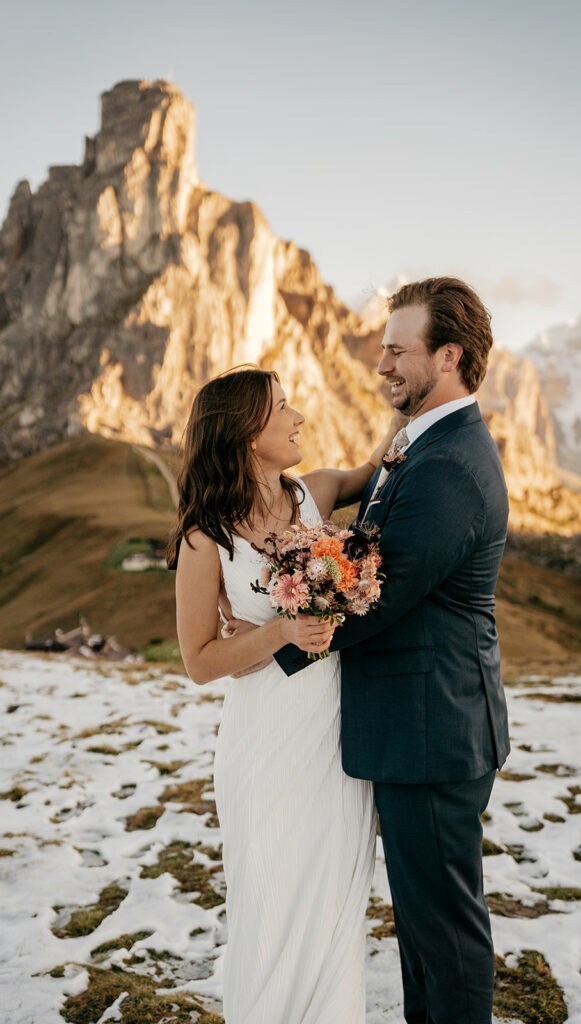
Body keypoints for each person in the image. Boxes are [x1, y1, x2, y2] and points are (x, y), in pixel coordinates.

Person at [231, 278, 511, 1024]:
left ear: (448, 356)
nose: (380, 363)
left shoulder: (449, 465)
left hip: (433, 730)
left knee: (444, 931)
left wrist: (270, 649)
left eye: (397, 349)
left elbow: (379, 595)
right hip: (415, 727)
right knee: (423, 926)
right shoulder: (421, 444)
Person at [166, 367, 406, 1024]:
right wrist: (279, 631)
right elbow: (200, 662)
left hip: (331, 741)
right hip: (264, 747)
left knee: (332, 902)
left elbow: (376, 466)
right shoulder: (204, 538)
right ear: (248, 436)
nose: (299, 416)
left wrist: (412, 401)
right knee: (270, 906)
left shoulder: (311, 494)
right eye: (283, 408)